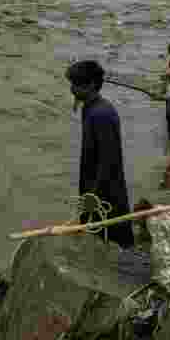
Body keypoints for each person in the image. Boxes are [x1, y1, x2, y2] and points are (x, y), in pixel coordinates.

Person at [66, 60, 135, 248]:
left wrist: (94, 196)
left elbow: (109, 161)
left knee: (114, 239)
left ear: (91, 85)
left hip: (105, 191)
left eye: (76, 84)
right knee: (97, 238)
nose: (72, 89)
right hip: (93, 186)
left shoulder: (102, 114)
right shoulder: (89, 108)